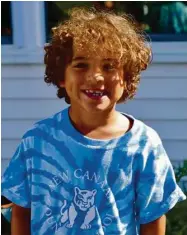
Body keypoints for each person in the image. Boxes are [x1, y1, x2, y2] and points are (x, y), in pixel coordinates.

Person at [1, 7, 186, 235]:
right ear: (61, 76)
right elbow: (21, 210)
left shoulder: (145, 144)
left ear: (127, 77)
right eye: (81, 64)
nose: (95, 76)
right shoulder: (37, 141)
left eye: (109, 66)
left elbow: (153, 218)